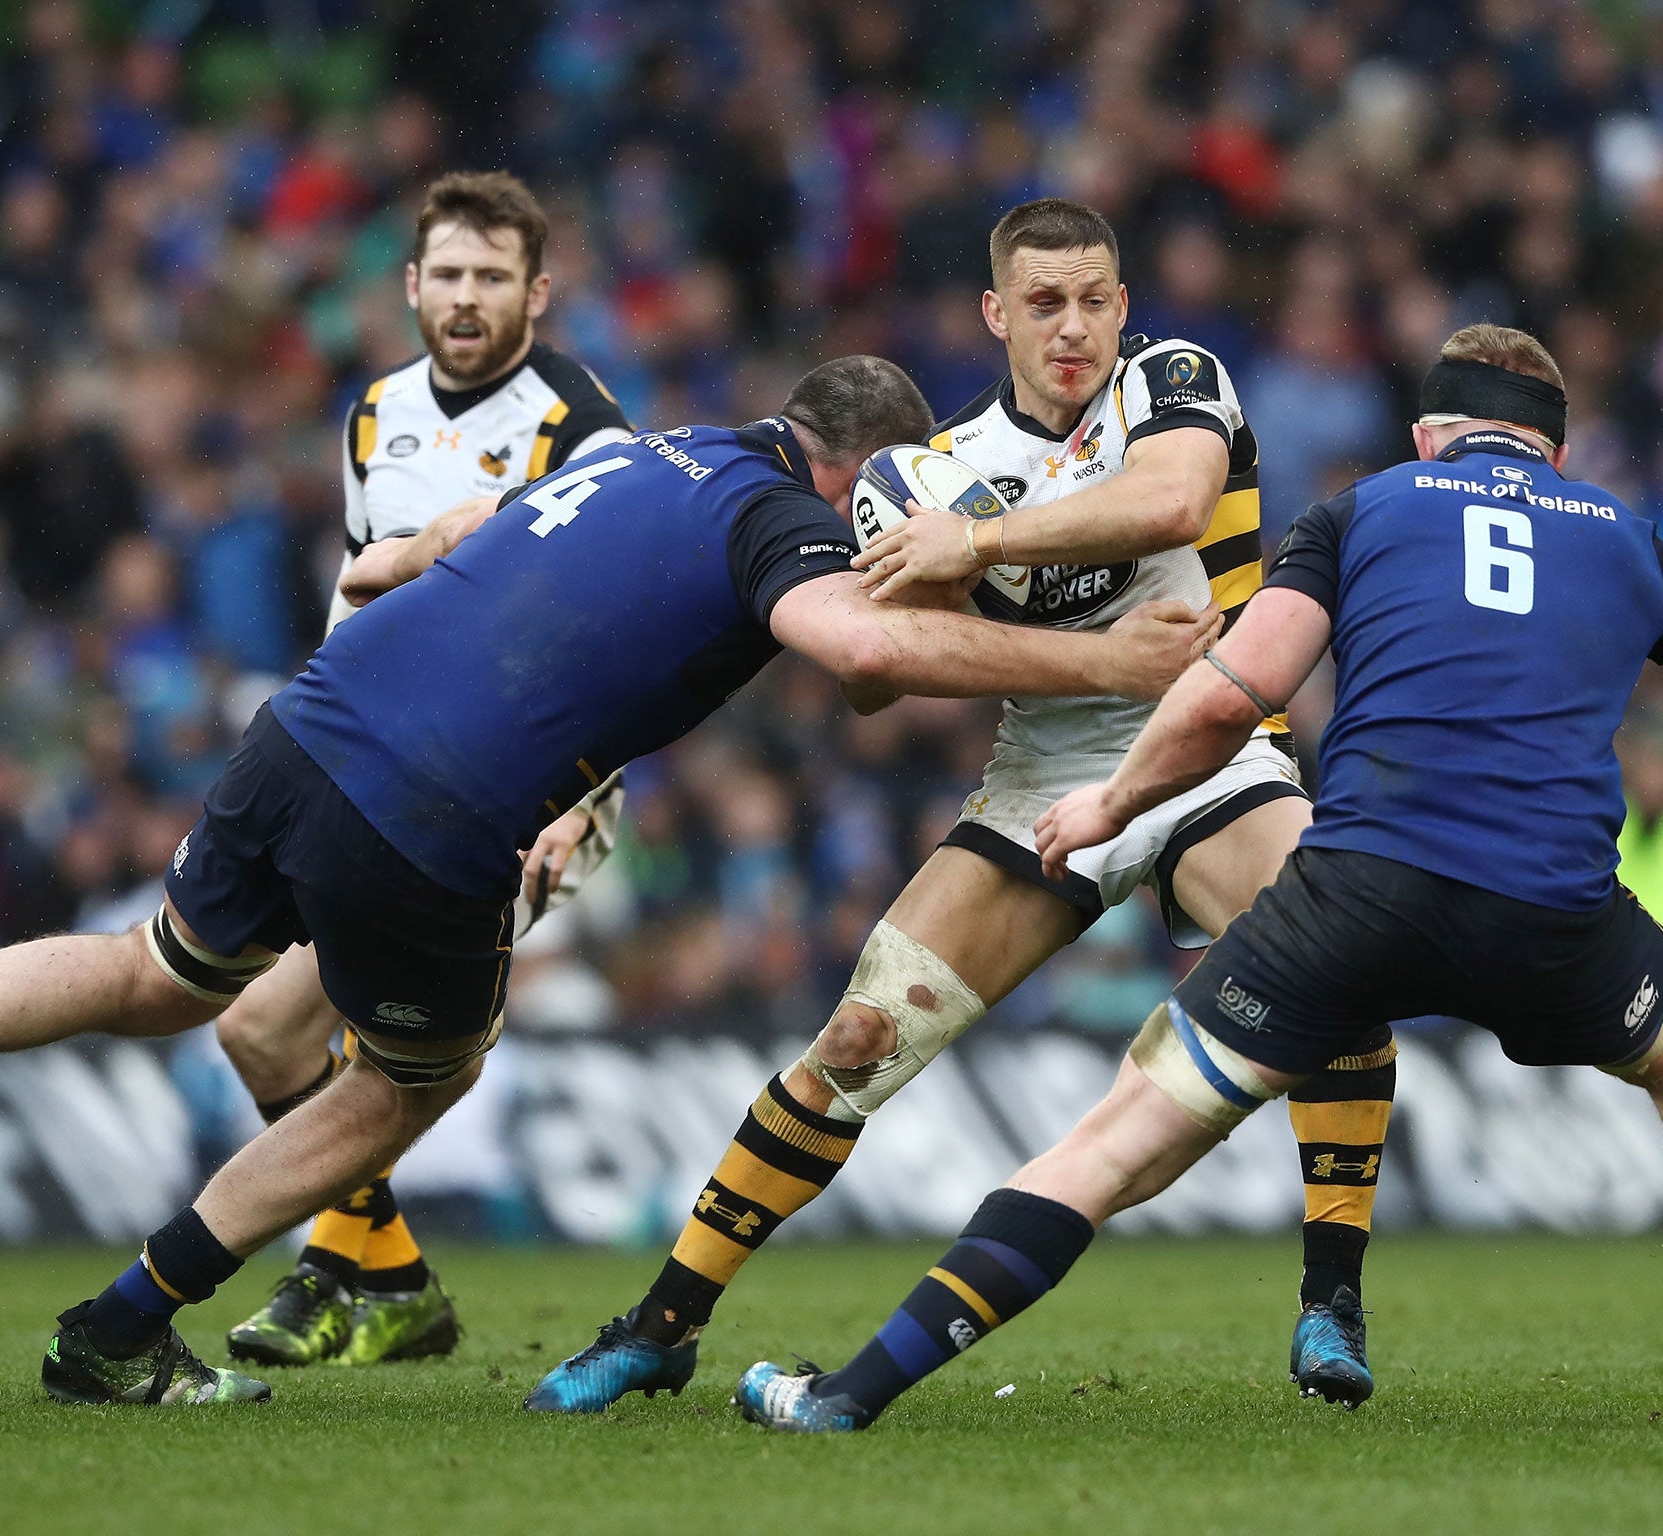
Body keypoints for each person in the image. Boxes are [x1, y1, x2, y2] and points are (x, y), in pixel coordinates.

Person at [0, 355, 1218, 1406]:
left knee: (158, 969)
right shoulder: (783, 522)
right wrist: (1108, 662)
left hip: (310, 721)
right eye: (895, 514)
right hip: (434, 812)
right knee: (409, 1081)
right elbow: (861, 653)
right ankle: (120, 1328)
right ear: (866, 477)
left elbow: (448, 555)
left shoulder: (639, 448)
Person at [732, 325, 1663, 1434]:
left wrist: (1109, 803)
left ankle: (846, 1395)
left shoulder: (1366, 507)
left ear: (1429, 437)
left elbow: (1232, 694)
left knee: (1115, 1143)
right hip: (1552, 908)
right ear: (1554, 454)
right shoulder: (1627, 539)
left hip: (1360, 895)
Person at [526, 198, 1397, 1416]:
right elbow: (874, 678)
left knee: (1343, 952)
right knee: (854, 1043)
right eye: (1043, 304)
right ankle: (664, 1322)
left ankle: (1329, 1301)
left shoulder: (1172, 380)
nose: (1073, 327)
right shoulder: (914, 477)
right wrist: (927, 604)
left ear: (1124, 307)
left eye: (1094, 299)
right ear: (994, 314)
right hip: (1044, 771)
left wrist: (976, 549)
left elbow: (1171, 508)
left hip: (1210, 743)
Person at [216, 170, 635, 1371]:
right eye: (445, 274)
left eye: (490, 277)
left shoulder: (579, 425)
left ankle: (323, 1275)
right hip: (374, 767)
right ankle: (392, 1280)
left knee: (361, 1026)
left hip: (529, 785)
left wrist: (581, 802)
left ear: (536, 293)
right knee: (259, 1040)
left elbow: (611, 633)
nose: (463, 298)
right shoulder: (374, 414)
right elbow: (362, 596)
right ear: (408, 286)